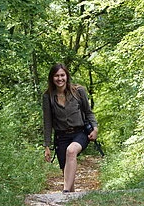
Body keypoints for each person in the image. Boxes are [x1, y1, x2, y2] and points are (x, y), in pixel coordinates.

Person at [42, 63, 98, 193]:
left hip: (80, 133)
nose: (60, 78)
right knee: (68, 179)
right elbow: (47, 122)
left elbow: (88, 112)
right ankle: (70, 195)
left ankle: (65, 191)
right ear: (52, 78)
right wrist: (47, 146)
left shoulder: (78, 91)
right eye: (56, 76)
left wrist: (95, 128)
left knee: (71, 151)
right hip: (61, 137)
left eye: (62, 75)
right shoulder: (48, 97)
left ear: (67, 76)